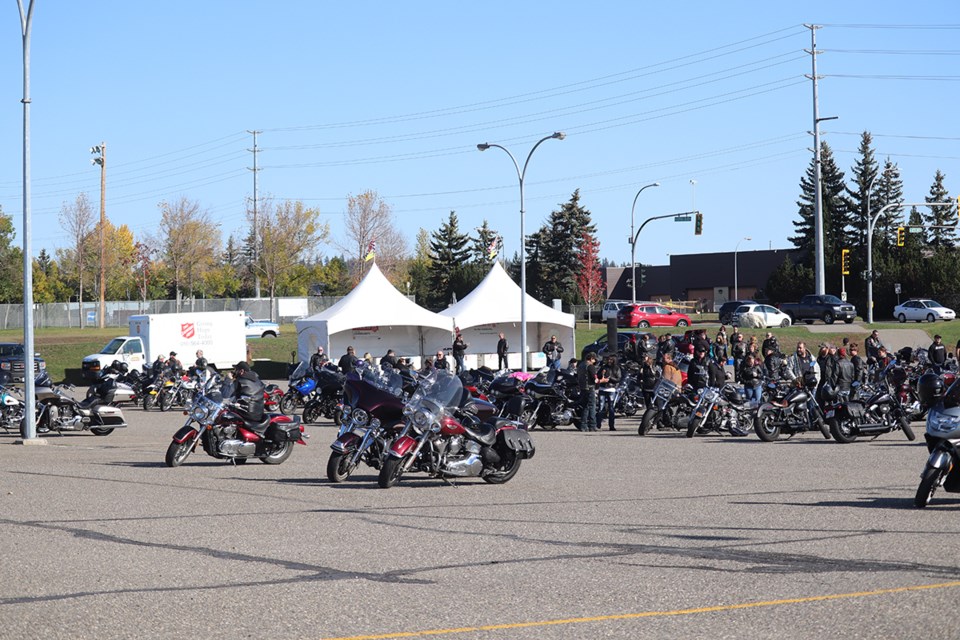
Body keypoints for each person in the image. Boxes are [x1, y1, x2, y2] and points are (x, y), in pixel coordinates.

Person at [597, 354, 621, 431]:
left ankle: (611, 425)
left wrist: (610, 378)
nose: (609, 361)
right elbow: (597, 376)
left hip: (611, 389)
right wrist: (601, 374)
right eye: (608, 359)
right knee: (600, 407)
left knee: (611, 408)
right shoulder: (603, 367)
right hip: (602, 388)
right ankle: (598, 424)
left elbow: (618, 378)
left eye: (611, 360)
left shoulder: (616, 368)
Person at [577, 352, 599, 432]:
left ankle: (583, 426)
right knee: (592, 406)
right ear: (591, 359)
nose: (595, 361)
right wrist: (602, 380)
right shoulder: (590, 366)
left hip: (582, 388)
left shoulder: (580, 365)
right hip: (590, 388)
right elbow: (595, 379)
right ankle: (592, 425)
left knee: (585, 407)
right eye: (594, 359)